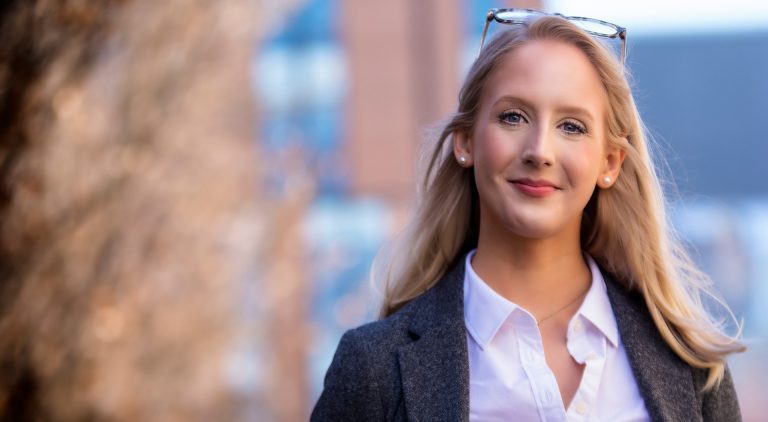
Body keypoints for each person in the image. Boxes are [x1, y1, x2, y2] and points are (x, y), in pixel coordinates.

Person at [311, 9, 745, 422]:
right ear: (465, 142)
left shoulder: (690, 368)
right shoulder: (374, 369)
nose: (540, 150)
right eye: (513, 117)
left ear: (609, 163)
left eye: (572, 126)